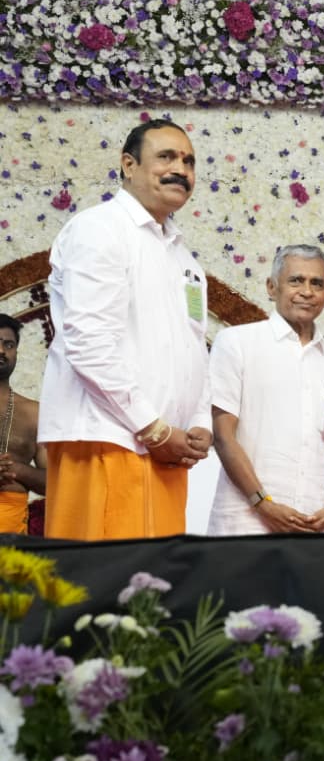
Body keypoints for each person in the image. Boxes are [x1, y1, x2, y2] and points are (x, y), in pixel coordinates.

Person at [38, 118, 212, 540]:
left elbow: (193, 349)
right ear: (129, 165)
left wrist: (199, 423)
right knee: (103, 591)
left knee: (151, 591)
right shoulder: (99, 229)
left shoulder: (184, 259)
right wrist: (151, 427)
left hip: (165, 450)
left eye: (188, 161)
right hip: (107, 439)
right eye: (166, 156)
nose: (181, 169)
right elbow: (88, 343)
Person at [206, 245, 324, 535]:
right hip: (246, 521)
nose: (307, 291)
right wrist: (262, 503)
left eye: (316, 283)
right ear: (272, 287)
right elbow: (223, 435)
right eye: (296, 280)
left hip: (314, 525)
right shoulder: (236, 343)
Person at [0, 315, 46, 534]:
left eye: (8, 344)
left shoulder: (34, 413)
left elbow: (53, 483)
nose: (1, 351)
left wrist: (16, 469)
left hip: (11, 541)